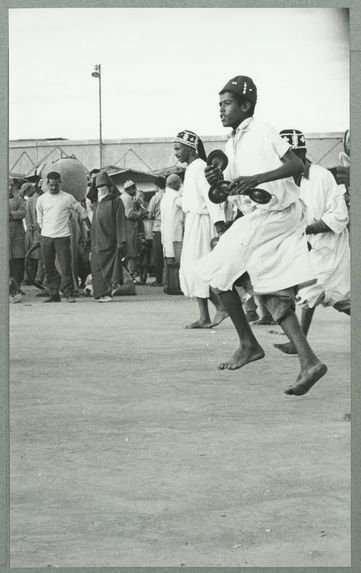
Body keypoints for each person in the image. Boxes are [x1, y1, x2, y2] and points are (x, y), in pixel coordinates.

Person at [195, 75, 327, 396]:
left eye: (227, 104)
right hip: (260, 215)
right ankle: (308, 362)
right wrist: (218, 180)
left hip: (278, 214)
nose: (221, 110)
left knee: (217, 271)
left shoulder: (263, 131)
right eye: (220, 105)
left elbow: (294, 164)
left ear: (245, 105)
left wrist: (257, 178)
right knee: (264, 285)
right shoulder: (232, 143)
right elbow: (224, 193)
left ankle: (248, 344)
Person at [273, 129, 350, 354]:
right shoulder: (287, 181)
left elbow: (339, 216)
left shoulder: (322, 176)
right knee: (314, 294)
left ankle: (299, 342)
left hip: (330, 248)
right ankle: (300, 341)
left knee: (328, 296)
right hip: (309, 249)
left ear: (301, 154)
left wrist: (307, 228)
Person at [174, 130, 229, 328]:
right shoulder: (190, 168)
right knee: (191, 269)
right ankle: (204, 317)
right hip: (193, 223)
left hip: (203, 225)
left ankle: (222, 307)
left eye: (178, 149)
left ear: (190, 148)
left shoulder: (199, 167)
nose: (176, 153)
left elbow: (211, 197)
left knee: (201, 269)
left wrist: (220, 227)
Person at [36, 171, 91, 303]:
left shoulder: (67, 198)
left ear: (60, 183)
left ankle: (68, 293)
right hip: (46, 237)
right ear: (47, 184)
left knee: (66, 266)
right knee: (48, 267)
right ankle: (53, 294)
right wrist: (43, 233)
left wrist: (91, 228)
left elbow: (81, 211)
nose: (54, 188)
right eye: (51, 185)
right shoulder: (41, 199)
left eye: (56, 185)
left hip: (62, 237)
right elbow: (40, 219)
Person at [89, 170, 127, 302]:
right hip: (96, 241)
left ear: (109, 186)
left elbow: (121, 221)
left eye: (103, 186)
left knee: (110, 267)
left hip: (110, 240)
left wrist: (120, 240)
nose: (101, 189)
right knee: (96, 267)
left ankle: (107, 293)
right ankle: (99, 293)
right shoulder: (96, 203)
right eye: (98, 186)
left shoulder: (116, 201)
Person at [120, 180, 148, 280]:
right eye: (134, 189)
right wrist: (140, 213)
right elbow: (130, 214)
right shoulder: (127, 199)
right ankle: (131, 275)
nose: (135, 191)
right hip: (129, 229)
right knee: (132, 254)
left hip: (127, 229)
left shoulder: (125, 197)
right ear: (130, 189)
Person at [160, 174, 184, 264]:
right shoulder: (175, 196)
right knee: (175, 259)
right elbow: (187, 205)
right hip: (175, 232)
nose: (180, 186)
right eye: (179, 183)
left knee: (168, 255)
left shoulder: (165, 197)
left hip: (166, 232)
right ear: (174, 184)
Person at [9, 178, 26, 294]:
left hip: (17, 234)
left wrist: (10, 214)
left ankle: (18, 286)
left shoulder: (19, 199)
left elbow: (23, 212)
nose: (10, 187)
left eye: (11, 185)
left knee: (18, 261)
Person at [148, 176, 166, 285]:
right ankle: (168, 279)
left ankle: (159, 280)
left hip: (158, 228)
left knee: (158, 255)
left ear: (157, 186)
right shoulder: (171, 195)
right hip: (169, 228)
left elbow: (150, 215)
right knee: (168, 254)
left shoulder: (155, 198)